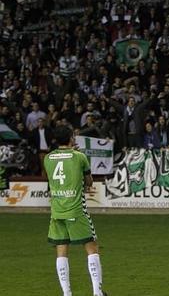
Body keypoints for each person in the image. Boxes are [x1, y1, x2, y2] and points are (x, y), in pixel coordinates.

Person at [44, 126, 107, 296]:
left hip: (57, 211)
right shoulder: (80, 156)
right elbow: (89, 182)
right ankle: (97, 292)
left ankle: (66, 293)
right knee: (92, 248)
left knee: (61, 250)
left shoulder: (48, 158)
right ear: (71, 138)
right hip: (76, 210)